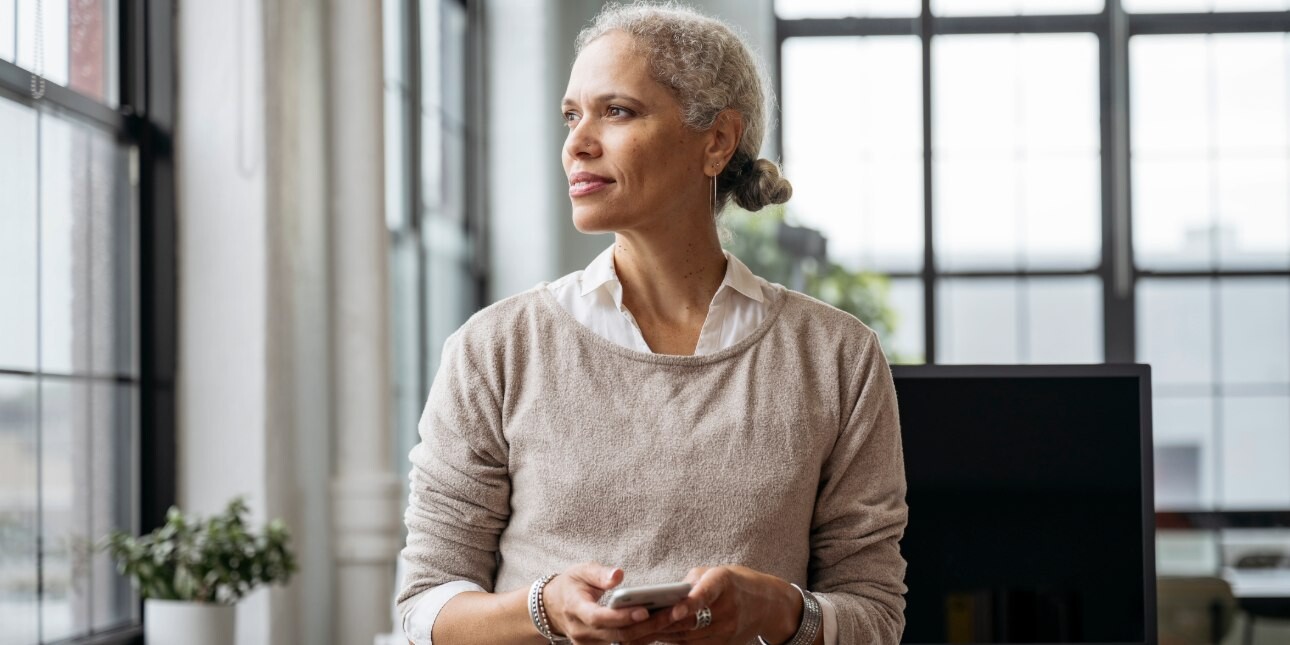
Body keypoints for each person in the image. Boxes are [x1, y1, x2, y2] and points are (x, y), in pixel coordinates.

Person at [396, 3, 908, 644]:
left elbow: (878, 617)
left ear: (717, 140)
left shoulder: (837, 357)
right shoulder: (495, 349)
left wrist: (778, 611)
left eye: (617, 111)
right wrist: (545, 608)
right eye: (571, 115)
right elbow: (423, 609)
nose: (578, 143)